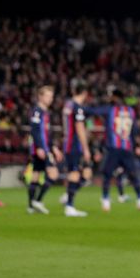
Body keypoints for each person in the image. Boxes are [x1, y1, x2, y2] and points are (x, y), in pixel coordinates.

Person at [92, 87, 140, 212]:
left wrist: (79, 108)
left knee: (107, 175)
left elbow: (93, 111)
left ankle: (105, 201)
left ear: (115, 97)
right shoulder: (131, 111)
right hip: (127, 148)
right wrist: (137, 146)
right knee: (133, 175)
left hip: (114, 149)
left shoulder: (110, 110)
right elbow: (134, 131)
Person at [27, 86, 60, 214]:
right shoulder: (37, 111)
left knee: (35, 175)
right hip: (41, 149)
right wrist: (40, 147)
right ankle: (38, 201)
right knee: (53, 174)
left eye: (51, 96)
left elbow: (47, 134)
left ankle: (30, 206)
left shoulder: (45, 112)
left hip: (44, 147)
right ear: (40, 96)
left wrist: (54, 147)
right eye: (47, 96)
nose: (50, 99)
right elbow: (35, 131)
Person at [60, 81, 92, 217]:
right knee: (74, 173)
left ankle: (67, 196)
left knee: (85, 174)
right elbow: (79, 128)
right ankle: (69, 206)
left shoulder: (67, 105)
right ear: (84, 93)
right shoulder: (78, 107)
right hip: (74, 144)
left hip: (67, 142)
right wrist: (86, 148)